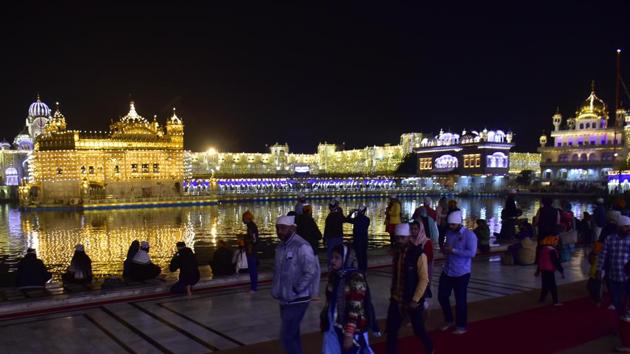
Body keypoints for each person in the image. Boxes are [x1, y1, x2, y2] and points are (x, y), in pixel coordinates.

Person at [271, 215, 321, 354]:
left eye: (283, 228)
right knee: (292, 335)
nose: (279, 231)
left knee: (287, 336)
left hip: (297, 298)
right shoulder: (281, 247)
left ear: (292, 228)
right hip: (284, 297)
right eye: (277, 228)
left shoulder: (302, 246)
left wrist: (297, 288)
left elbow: (311, 271)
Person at [386, 223, 434, 354]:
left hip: (412, 299)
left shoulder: (418, 254)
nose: (399, 241)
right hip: (397, 298)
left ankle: (430, 348)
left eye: (402, 238)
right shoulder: (397, 253)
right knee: (391, 330)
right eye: (397, 238)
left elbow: (424, 279)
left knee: (418, 329)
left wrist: (415, 299)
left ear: (408, 237)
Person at [321, 244, 373, 354]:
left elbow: (356, 307)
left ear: (346, 258)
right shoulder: (336, 275)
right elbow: (329, 301)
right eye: (332, 257)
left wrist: (349, 333)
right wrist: (325, 318)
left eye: (337, 258)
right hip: (334, 325)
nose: (332, 261)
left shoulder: (356, 277)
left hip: (351, 327)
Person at [438, 210, 477, 335]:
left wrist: (454, 250)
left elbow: (472, 253)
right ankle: (448, 320)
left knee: (460, 300)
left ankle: (461, 325)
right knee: (442, 296)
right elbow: (447, 247)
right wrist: (445, 250)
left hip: (461, 273)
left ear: (459, 224)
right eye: (449, 225)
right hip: (448, 270)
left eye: (453, 225)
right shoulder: (449, 233)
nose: (450, 227)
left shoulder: (469, 235)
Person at [597, 215, 630, 318]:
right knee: (617, 301)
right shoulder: (609, 239)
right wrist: (599, 269)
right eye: (626, 226)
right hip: (613, 275)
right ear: (619, 226)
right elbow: (603, 255)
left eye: (629, 226)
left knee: (627, 298)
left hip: (628, 275)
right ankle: (619, 319)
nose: (628, 229)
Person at [535, 235, 564, 305]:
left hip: (543, 270)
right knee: (552, 286)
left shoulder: (543, 249)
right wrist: (561, 270)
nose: (556, 243)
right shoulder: (552, 251)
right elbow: (555, 262)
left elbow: (540, 261)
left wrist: (538, 271)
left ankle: (541, 299)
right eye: (555, 241)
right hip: (549, 270)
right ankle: (555, 301)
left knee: (545, 285)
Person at [346, 205, 370, 273]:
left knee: (359, 256)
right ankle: (364, 270)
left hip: (357, 240)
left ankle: (360, 270)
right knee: (364, 256)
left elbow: (347, 219)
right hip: (364, 240)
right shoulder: (367, 219)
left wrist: (351, 213)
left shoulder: (357, 219)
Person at [324, 199, 346, 265]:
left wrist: (324, 238)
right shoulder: (339, 215)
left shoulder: (329, 217)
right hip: (339, 237)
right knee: (339, 254)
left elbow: (326, 229)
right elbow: (344, 220)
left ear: (329, 208)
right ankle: (339, 268)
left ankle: (331, 269)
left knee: (331, 255)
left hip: (331, 238)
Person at [242, 210, 259, 292]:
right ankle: (253, 286)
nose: (242, 220)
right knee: (252, 268)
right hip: (252, 249)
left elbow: (253, 239)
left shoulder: (251, 227)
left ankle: (254, 287)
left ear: (247, 218)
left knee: (252, 269)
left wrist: (244, 240)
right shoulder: (251, 226)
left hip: (251, 250)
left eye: (243, 218)